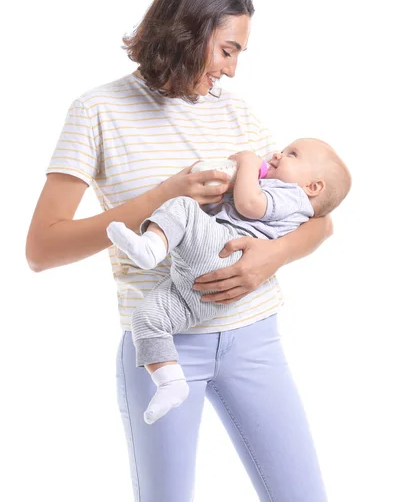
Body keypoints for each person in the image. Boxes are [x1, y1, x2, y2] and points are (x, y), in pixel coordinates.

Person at [26, 0, 333, 501]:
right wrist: (161, 198)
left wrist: (272, 257)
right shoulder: (96, 111)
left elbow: (317, 216)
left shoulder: (238, 115)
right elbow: (41, 248)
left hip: (255, 338)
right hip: (162, 345)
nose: (233, 70)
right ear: (188, 33)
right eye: (227, 50)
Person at [106, 139, 351, 425]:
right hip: (205, 293)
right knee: (147, 318)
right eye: (283, 150)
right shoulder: (280, 193)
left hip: (225, 255)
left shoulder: (292, 197)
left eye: (291, 154)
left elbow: (249, 205)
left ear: (313, 187)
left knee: (183, 207)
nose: (277, 154)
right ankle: (169, 379)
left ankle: (152, 247)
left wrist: (248, 161)